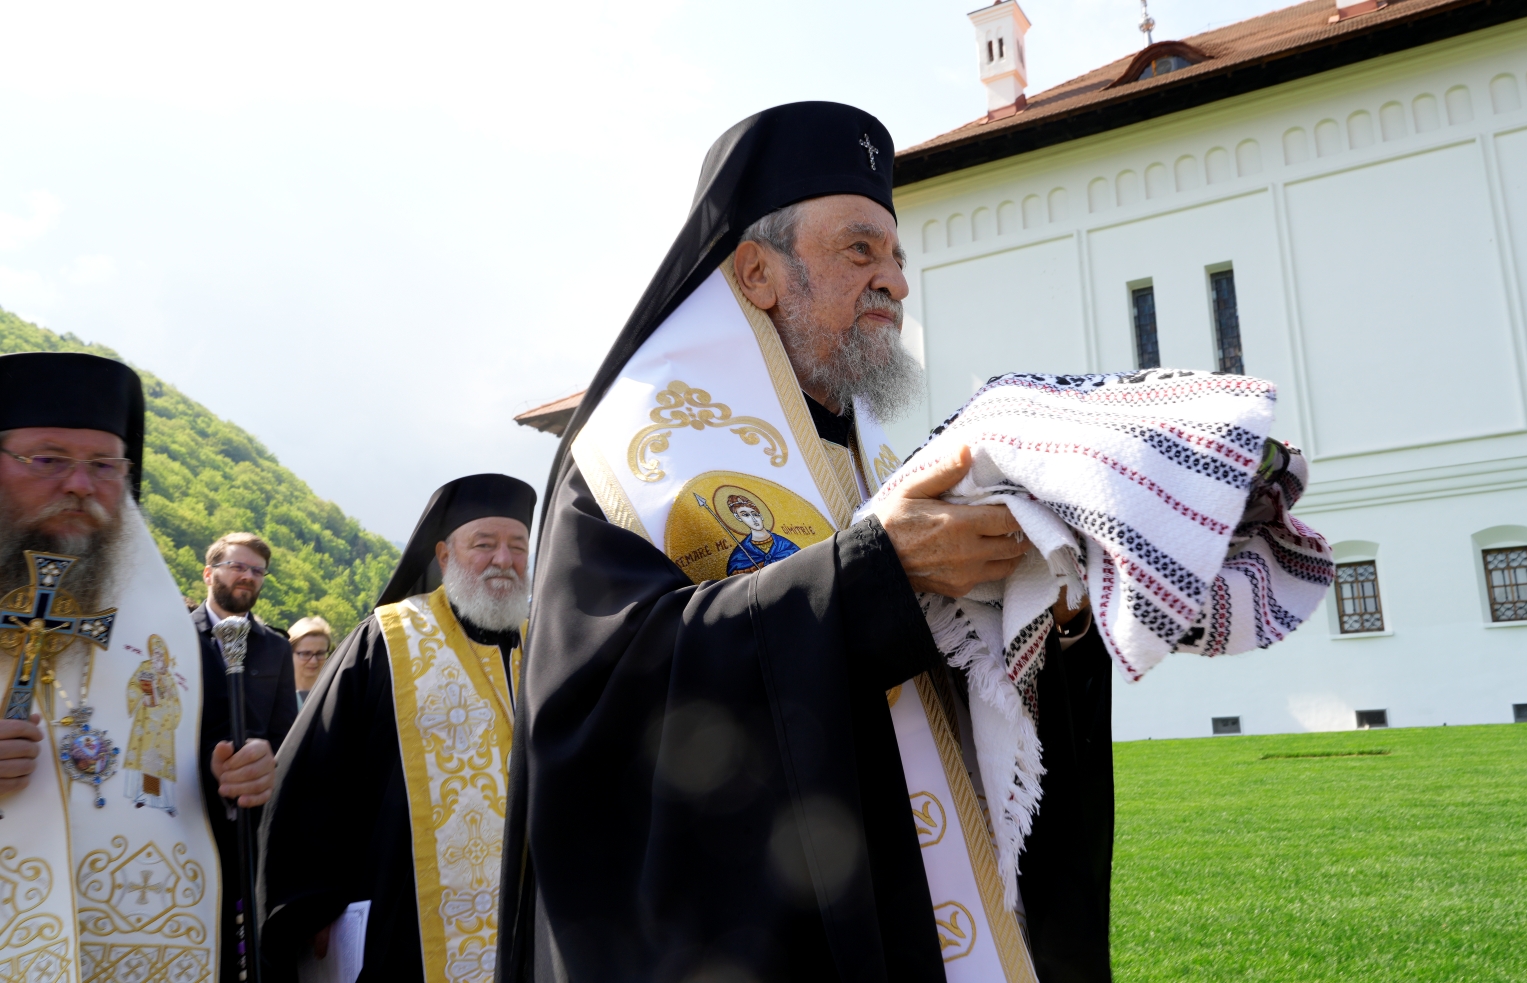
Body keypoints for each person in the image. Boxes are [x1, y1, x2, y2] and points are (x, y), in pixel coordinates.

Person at [500, 103, 1111, 983]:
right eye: (860, 251)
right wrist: (869, 581)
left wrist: (1051, 607)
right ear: (757, 272)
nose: (895, 282)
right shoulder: (630, 461)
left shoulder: (888, 460)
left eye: (897, 257)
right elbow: (599, 710)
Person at [0, 351, 227, 979]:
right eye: (48, 459)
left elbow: (192, 784)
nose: (80, 484)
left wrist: (234, 780)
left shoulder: (164, 630)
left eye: (104, 465)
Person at [257, 473, 536, 983]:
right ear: (445, 555)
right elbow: (315, 770)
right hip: (405, 923)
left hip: (523, 924)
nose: (504, 559)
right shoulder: (389, 638)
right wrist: (311, 903)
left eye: (518, 546)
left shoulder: (542, 647)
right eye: (484, 544)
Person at [191, 530, 298, 983]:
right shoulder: (174, 636)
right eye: (237, 566)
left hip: (251, 820)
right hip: (189, 809)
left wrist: (264, 762)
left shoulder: (275, 646)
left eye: (257, 571)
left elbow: (284, 732)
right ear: (209, 573)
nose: (248, 576)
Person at [288, 615, 334, 708]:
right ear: (289, 653)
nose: (313, 661)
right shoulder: (275, 697)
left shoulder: (338, 696)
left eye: (320, 653)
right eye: (306, 654)